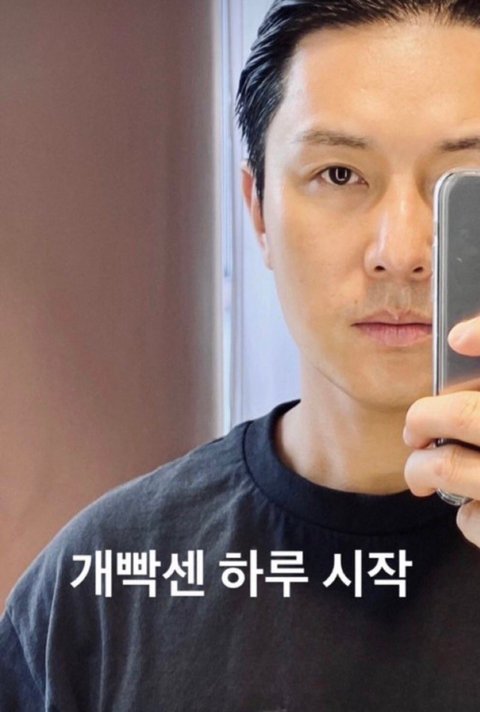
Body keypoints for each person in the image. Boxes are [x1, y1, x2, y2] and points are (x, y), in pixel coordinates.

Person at [4, 0, 480, 709]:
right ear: (257, 209)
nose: (402, 252)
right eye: (339, 175)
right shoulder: (104, 583)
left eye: (462, 186)